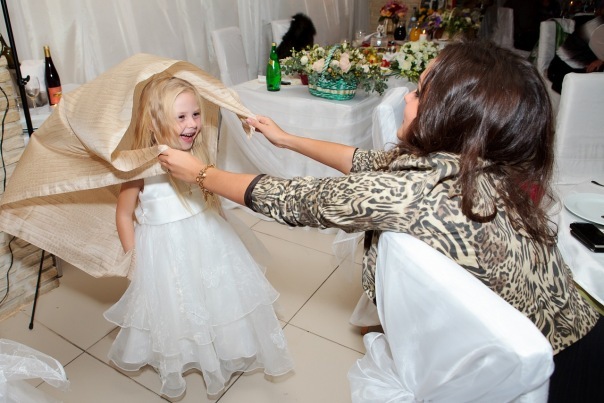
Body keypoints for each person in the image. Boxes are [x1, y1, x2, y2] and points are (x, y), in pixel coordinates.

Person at [159, 40, 603, 401]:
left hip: (556, 374)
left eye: (419, 92)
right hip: (578, 331)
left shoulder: (415, 193)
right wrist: (286, 139)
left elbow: (295, 199)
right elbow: (365, 161)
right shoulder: (478, 164)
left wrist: (200, 173)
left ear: (451, 115)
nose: (407, 97)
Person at [103, 75, 293, 398]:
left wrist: (223, 225)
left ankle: (222, 345)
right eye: (181, 117)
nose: (192, 124)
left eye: (195, 114)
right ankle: (186, 352)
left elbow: (210, 192)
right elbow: (123, 214)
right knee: (175, 302)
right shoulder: (141, 168)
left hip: (207, 238)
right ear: (154, 123)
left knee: (217, 295)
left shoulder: (197, 156)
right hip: (164, 250)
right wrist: (134, 260)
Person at [547, 8, 604, 93]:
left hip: (563, 66)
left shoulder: (599, 22)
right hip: (564, 72)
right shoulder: (598, 27)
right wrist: (601, 60)